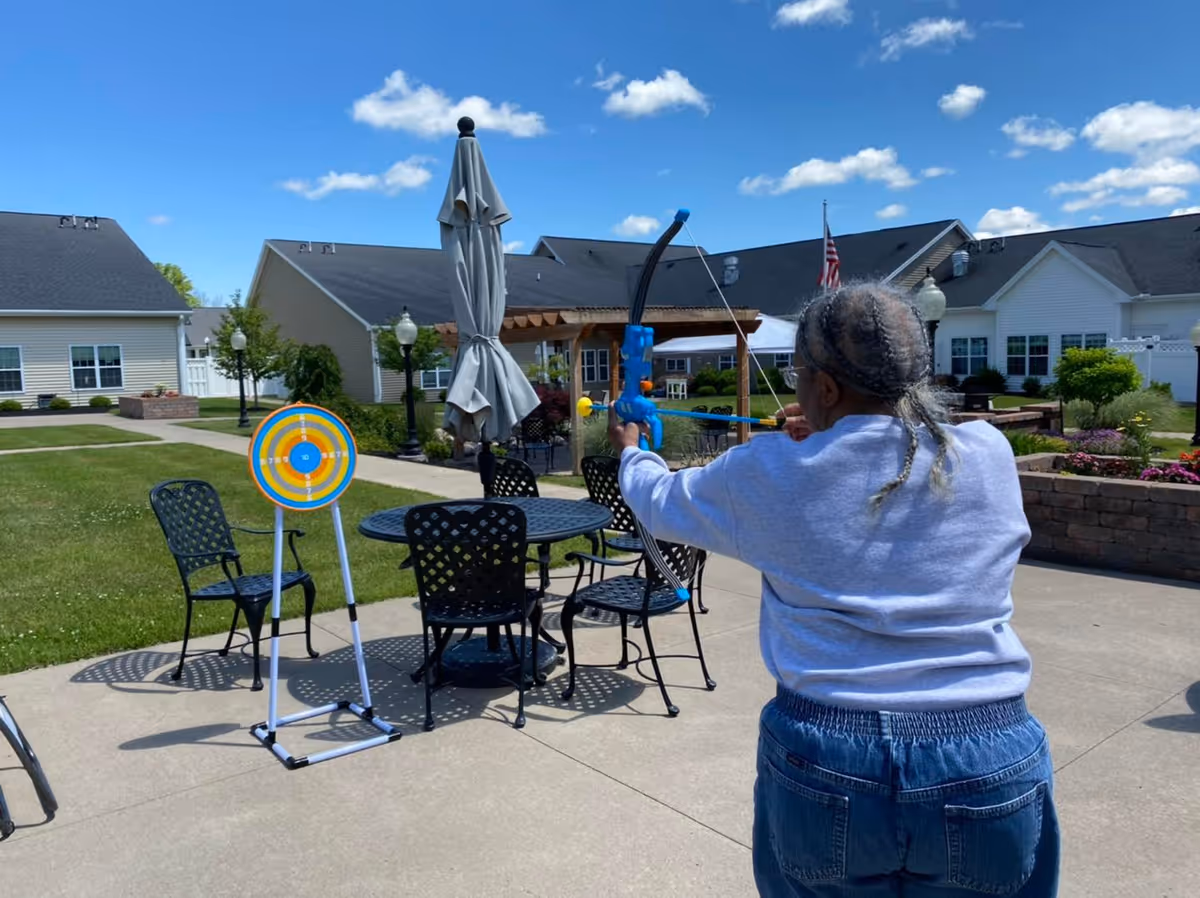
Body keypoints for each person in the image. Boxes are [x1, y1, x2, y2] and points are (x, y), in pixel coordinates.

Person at [608, 281, 1059, 897]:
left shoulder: (768, 471)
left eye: (801, 377)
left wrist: (632, 449)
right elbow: (894, 447)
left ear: (824, 387)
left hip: (828, 759)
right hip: (986, 754)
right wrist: (831, 427)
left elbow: (657, 502)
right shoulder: (989, 453)